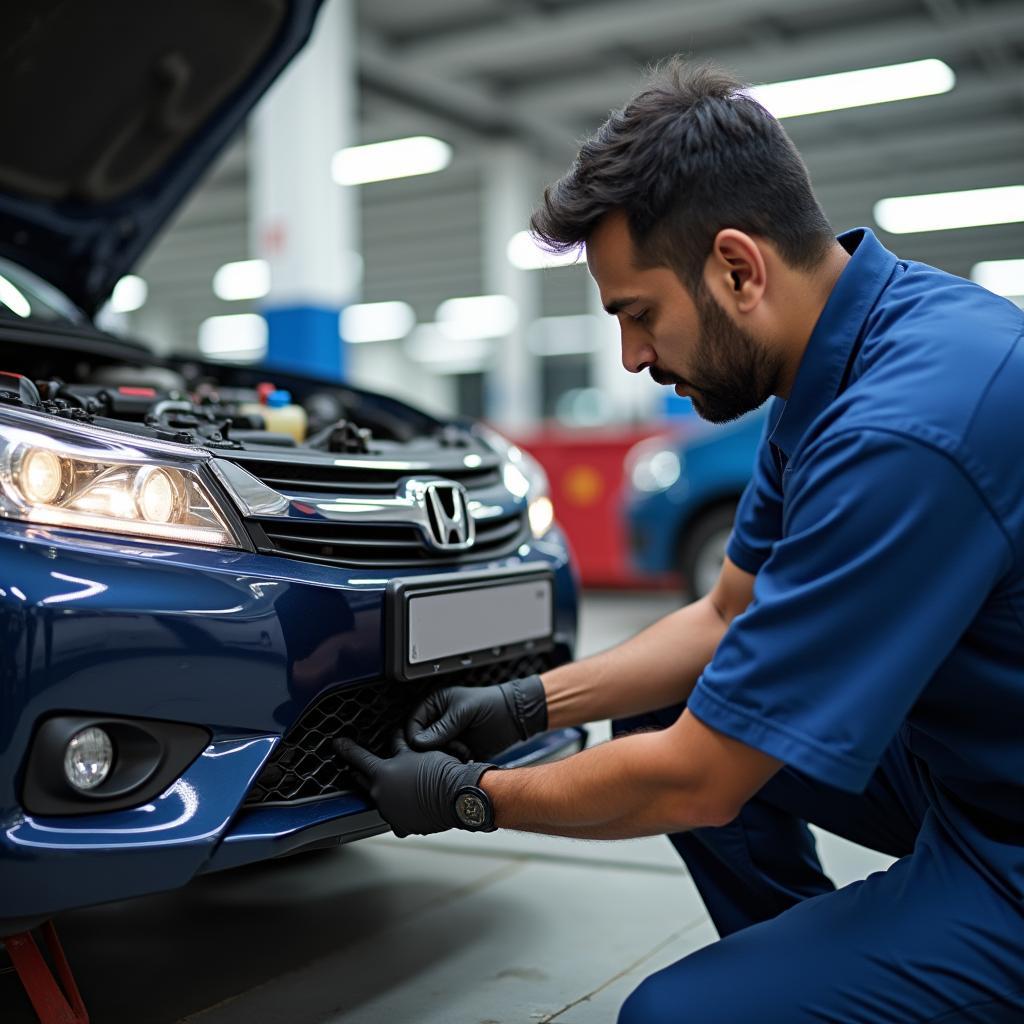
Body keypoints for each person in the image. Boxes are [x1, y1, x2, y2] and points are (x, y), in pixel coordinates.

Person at [335, 59, 1024, 1023]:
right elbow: (725, 613)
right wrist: (523, 705)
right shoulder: (835, 360)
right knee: (661, 713)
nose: (633, 356)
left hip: (1007, 841)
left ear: (738, 268)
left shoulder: (904, 429)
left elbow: (703, 781)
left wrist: (468, 796)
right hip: (974, 767)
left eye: (638, 314)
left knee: (672, 1016)